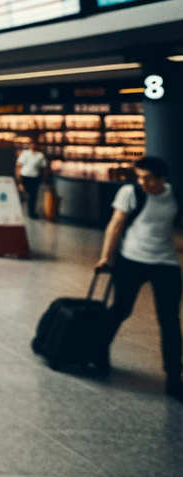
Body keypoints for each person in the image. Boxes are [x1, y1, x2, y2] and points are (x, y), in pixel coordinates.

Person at [96, 156, 181, 401]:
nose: (141, 182)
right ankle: (100, 349)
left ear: (162, 179)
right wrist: (106, 257)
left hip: (165, 263)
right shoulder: (130, 192)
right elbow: (116, 224)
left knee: (169, 320)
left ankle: (174, 376)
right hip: (131, 260)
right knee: (121, 308)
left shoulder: (174, 195)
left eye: (147, 178)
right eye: (139, 176)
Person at [17, 141, 48, 219]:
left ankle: (31, 212)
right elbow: (18, 165)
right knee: (23, 193)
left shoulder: (40, 156)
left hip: (34, 177)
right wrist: (18, 179)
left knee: (33, 195)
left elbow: (44, 167)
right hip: (25, 176)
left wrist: (43, 178)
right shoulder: (25, 154)